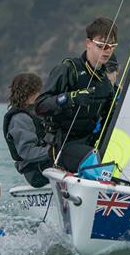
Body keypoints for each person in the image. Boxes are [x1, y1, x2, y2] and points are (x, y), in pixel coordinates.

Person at [35, 17, 118, 172]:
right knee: (95, 160)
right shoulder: (68, 69)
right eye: (102, 45)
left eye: (112, 46)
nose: (108, 50)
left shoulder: (105, 83)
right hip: (62, 146)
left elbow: (110, 118)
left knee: (119, 158)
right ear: (88, 43)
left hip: (89, 145)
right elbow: (40, 106)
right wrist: (70, 98)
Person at [3, 73, 52, 187]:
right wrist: (54, 152)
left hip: (46, 165)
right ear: (33, 92)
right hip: (36, 172)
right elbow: (27, 152)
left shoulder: (37, 112)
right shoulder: (20, 118)